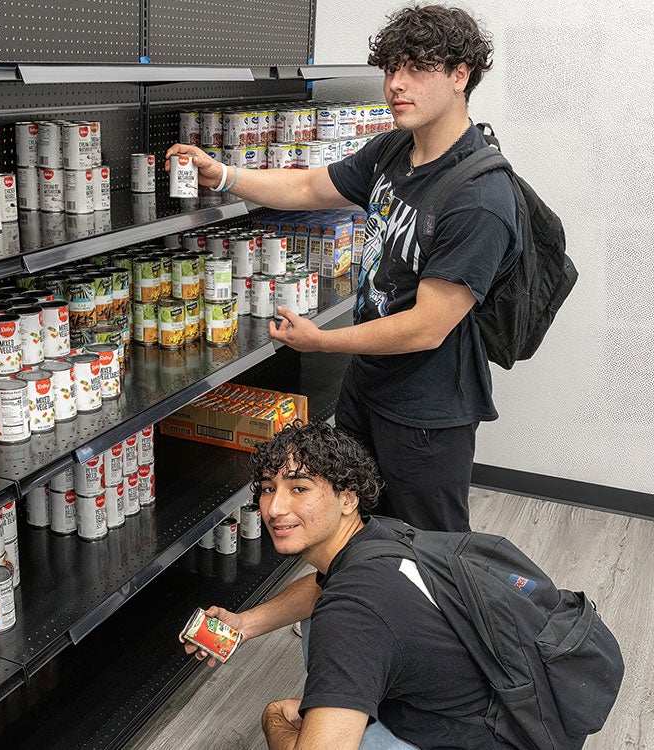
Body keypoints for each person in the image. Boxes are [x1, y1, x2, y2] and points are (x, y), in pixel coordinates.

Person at [166, 5, 518, 533]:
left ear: (460, 75)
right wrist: (226, 175)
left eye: (416, 68)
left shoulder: (481, 197)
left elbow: (426, 328)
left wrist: (322, 341)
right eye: (390, 68)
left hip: (427, 412)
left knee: (428, 551)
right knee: (353, 532)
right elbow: (310, 186)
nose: (396, 84)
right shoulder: (394, 149)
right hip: (366, 387)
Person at [184, 420, 519, 749]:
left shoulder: (352, 617)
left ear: (347, 499)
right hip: (499, 705)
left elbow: (348, 617)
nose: (274, 507)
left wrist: (275, 717)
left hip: (476, 737)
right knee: (317, 612)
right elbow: (318, 590)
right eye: (269, 488)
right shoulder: (380, 534)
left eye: (299, 488)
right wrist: (244, 625)